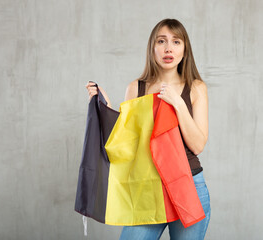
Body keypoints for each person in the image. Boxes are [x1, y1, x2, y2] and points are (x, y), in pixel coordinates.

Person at [85, 18, 211, 240]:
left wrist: (178, 103)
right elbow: (123, 147)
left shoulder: (196, 88)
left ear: (185, 49)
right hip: (146, 188)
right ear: (152, 48)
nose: (168, 48)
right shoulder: (136, 87)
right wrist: (106, 108)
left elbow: (198, 145)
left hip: (188, 186)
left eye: (176, 42)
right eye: (161, 41)